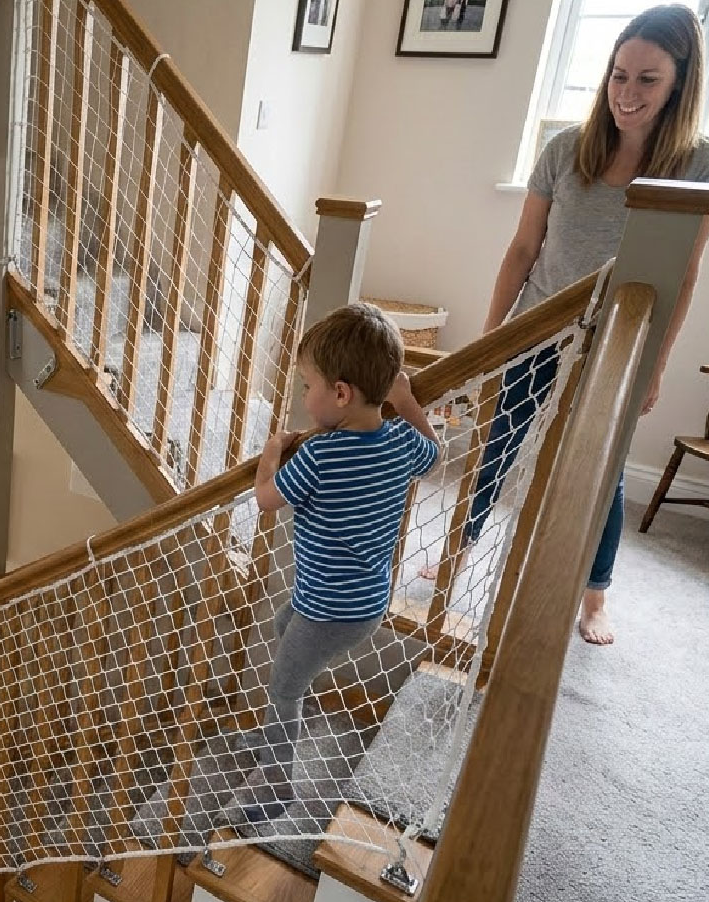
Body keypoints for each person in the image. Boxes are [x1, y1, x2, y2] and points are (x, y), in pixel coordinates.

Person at [421, 3, 709, 646]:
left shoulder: (697, 166)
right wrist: (491, 340)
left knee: (603, 473)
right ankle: (455, 555)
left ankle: (595, 593)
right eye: (618, 74)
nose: (627, 92)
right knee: (495, 446)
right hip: (538, 330)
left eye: (648, 79)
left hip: (616, 346)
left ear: (679, 84)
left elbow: (683, 276)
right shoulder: (565, 150)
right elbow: (523, 250)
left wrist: (655, 365)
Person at [220, 304, 440, 824]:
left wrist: (271, 453)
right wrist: (406, 401)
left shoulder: (319, 456)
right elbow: (433, 454)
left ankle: (275, 787)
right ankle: (278, 731)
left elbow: (267, 500)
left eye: (307, 386)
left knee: (283, 687)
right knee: (281, 627)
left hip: (327, 609)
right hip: (362, 603)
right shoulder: (399, 441)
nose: (303, 397)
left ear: (341, 394)